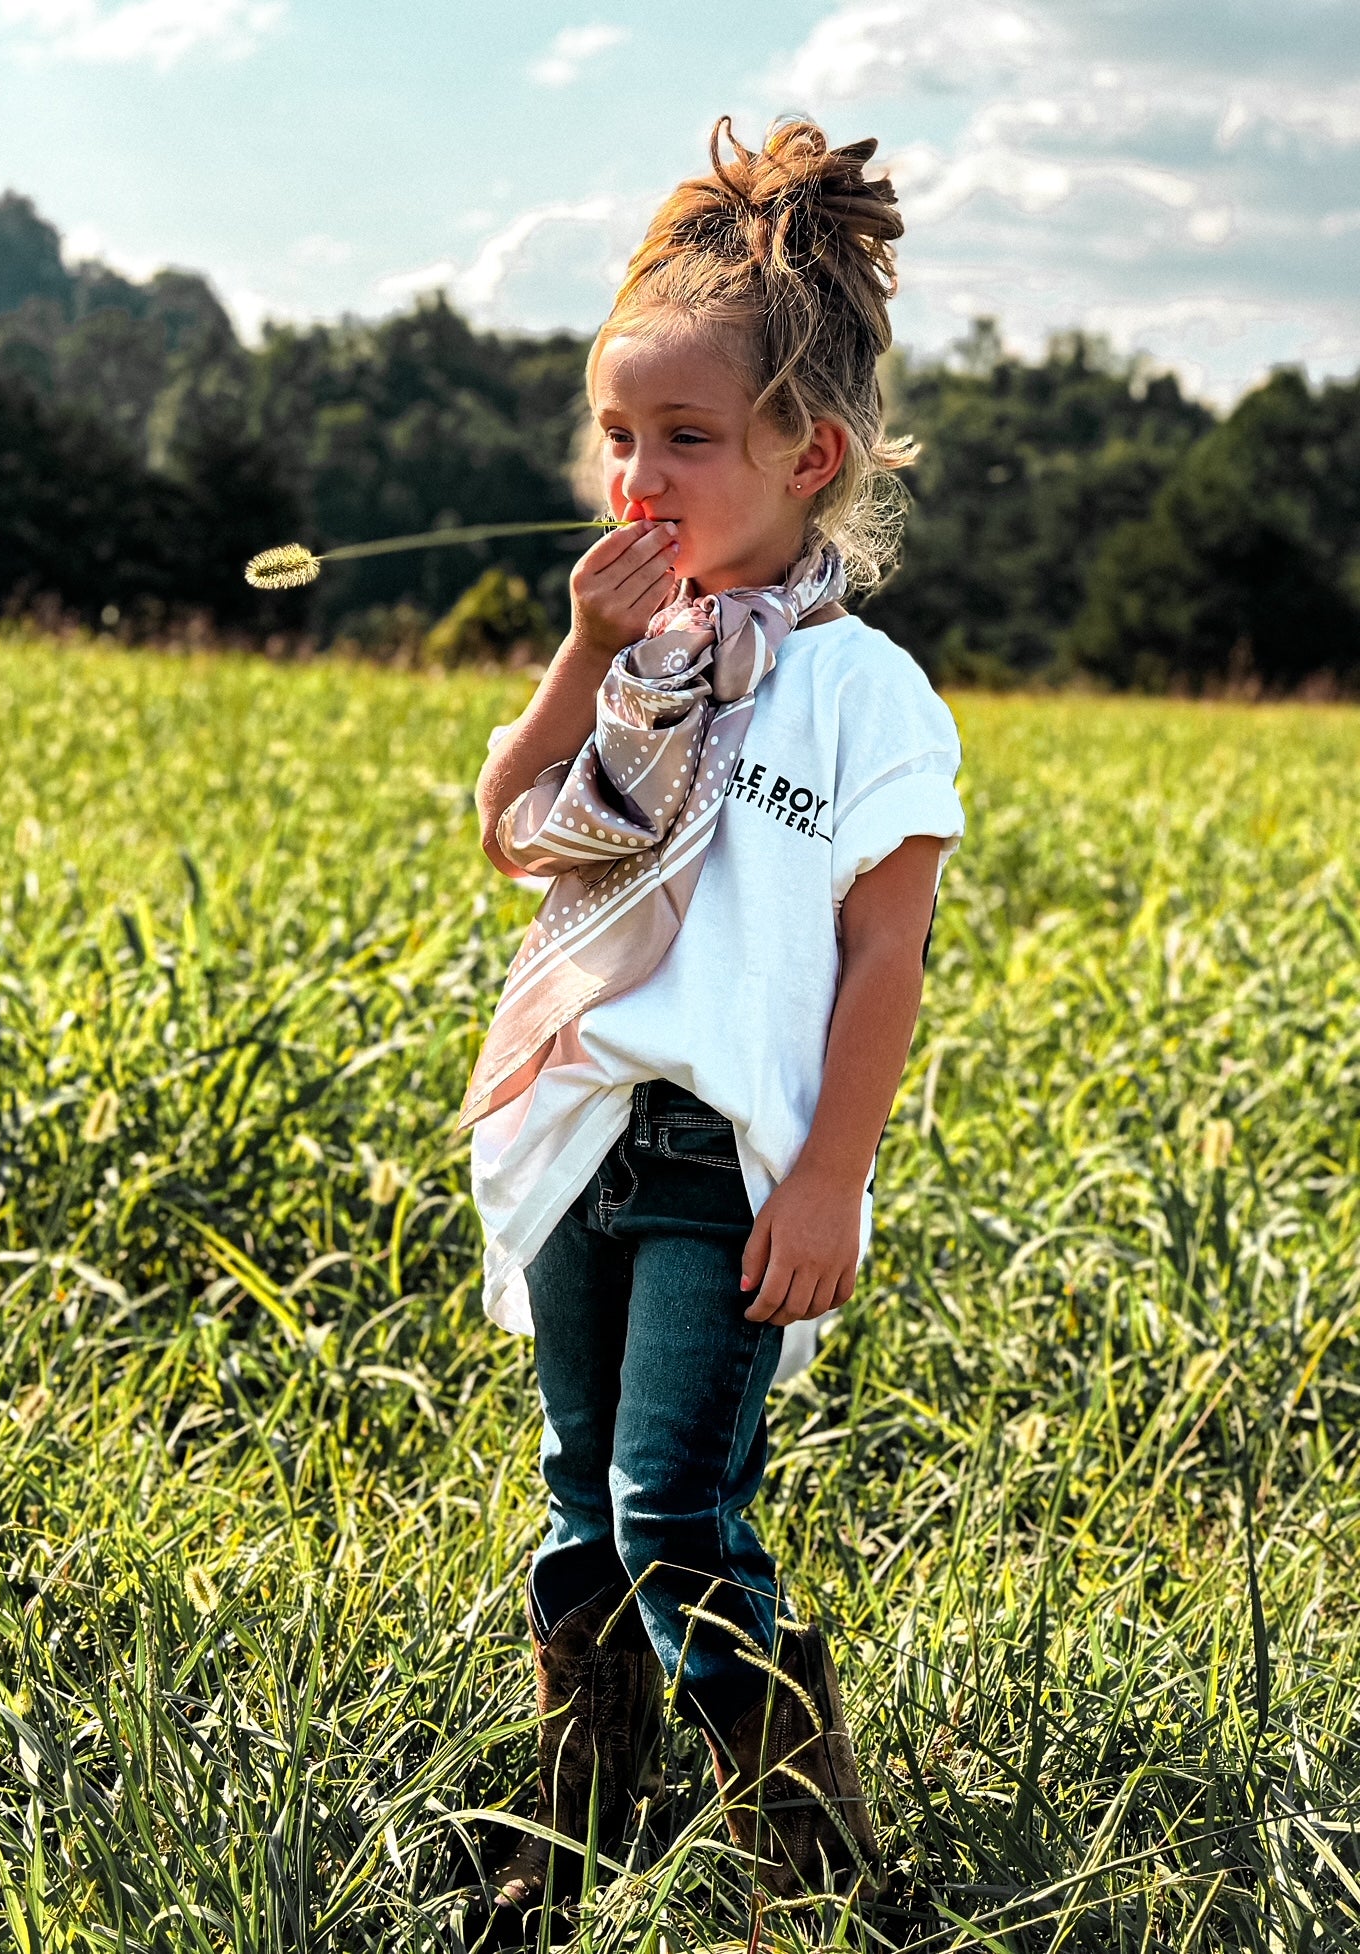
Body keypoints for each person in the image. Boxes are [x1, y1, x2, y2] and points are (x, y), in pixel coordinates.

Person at [462, 115, 965, 1942]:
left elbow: (888, 952)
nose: (637, 475)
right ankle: (573, 1832)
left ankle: (820, 1870)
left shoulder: (860, 691)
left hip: (720, 1161)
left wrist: (832, 1173)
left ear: (805, 453)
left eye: (684, 438)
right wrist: (584, 656)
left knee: (676, 1504)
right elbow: (515, 827)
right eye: (618, 436)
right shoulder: (641, 654)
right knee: (583, 1508)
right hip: (589, 1139)